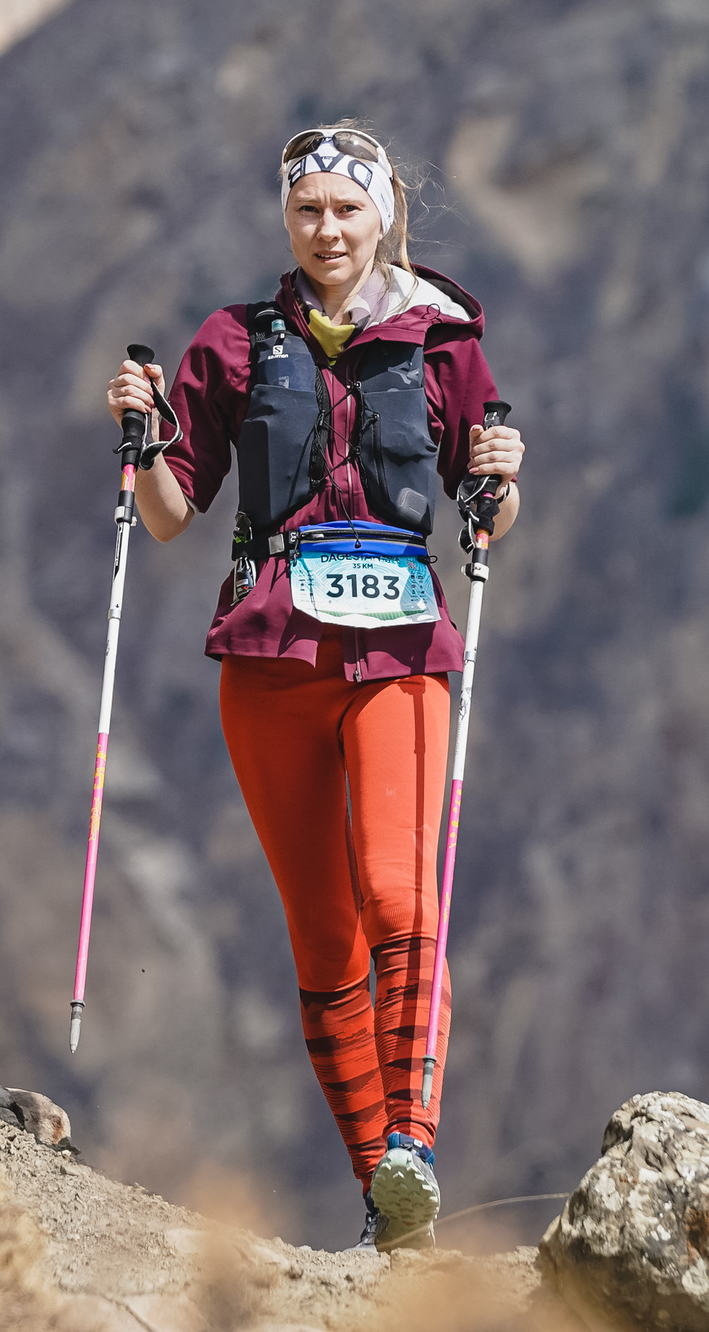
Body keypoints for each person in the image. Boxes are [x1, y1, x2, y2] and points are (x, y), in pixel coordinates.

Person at [106, 122, 521, 1253]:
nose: (326, 229)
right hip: (271, 654)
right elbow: (170, 512)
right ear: (285, 221)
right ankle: (392, 1209)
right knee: (323, 936)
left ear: (384, 210)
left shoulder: (446, 342)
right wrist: (142, 439)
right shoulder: (234, 343)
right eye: (306, 212)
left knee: (402, 896)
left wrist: (499, 483)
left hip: (401, 649)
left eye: (346, 208)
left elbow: (483, 503)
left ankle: (415, 1145)